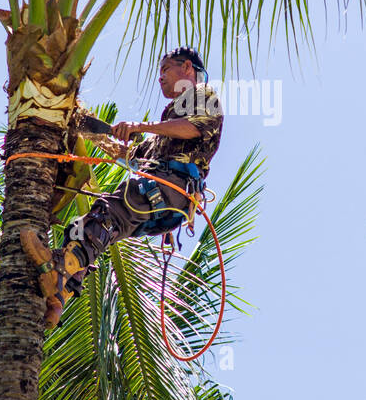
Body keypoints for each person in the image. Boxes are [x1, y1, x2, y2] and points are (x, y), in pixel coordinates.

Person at [21, 47, 223, 327]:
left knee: (108, 215)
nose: (160, 77)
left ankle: (61, 272)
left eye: (165, 69)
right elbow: (131, 157)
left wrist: (140, 126)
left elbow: (193, 128)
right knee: (88, 226)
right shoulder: (166, 126)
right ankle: (59, 294)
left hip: (170, 188)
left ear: (187, 67)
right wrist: (85, 125)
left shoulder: (203, 96)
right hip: (162, 197)